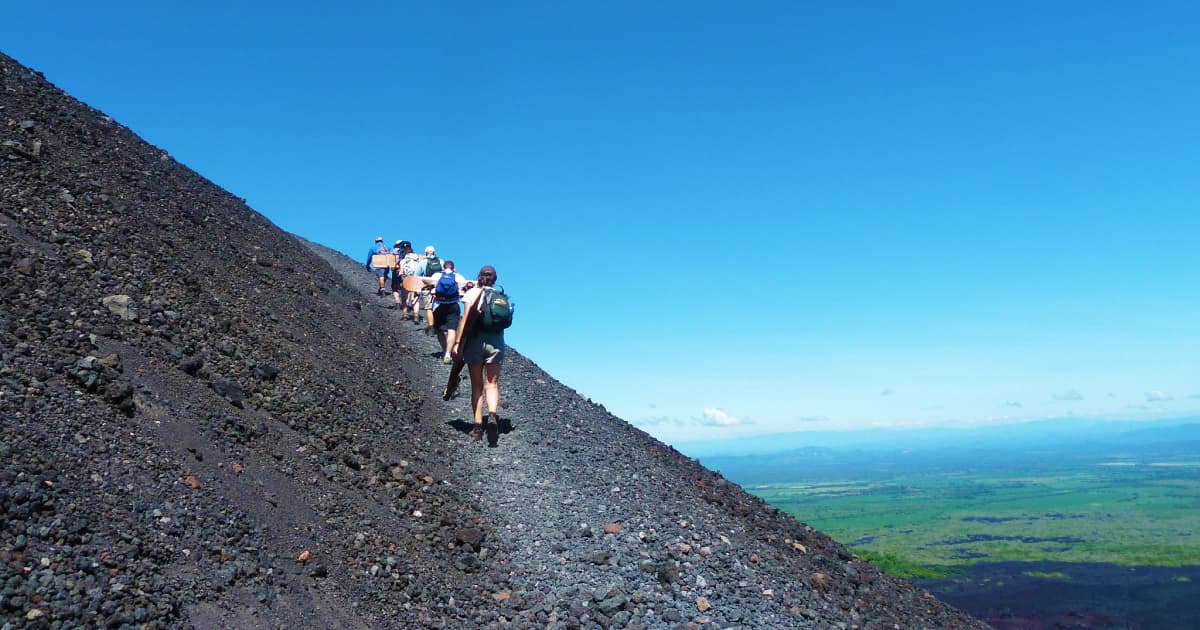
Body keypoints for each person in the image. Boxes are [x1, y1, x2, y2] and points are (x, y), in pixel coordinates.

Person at [457, 265, 506, 441]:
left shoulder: (472, 294)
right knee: (492, 384)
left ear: (479, 277)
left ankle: (477, 427)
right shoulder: (500, 296)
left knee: (477, 385)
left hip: (475, 341)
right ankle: (492, 415)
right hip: (497, 342)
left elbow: (465, 320)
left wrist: (457, 344)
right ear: (495, 279)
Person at [425, 261, 471, 363]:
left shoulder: (437, 275)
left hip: (439, 305)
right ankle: (448, 354)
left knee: (439, 329)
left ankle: (444, 350)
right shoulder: (459, 277)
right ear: (454, 268)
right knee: (452, 329)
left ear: (443, 267)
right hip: (453, 305)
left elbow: (428, 285)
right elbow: (466, 290)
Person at [399, 244, 423, 321]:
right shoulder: (419, 260)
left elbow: (401, 272)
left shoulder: (403, 260)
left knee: (404, 298)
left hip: (407, 278)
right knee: (416, 298)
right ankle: (416, 316)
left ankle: (405, 314)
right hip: (417, 279)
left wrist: (401, 280)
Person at [388, 240, 408, 309]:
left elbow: (390, 261)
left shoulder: (394, 251)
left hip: (396, 271)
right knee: (405, 288)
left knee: (394, 288)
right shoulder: (409, 251)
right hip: (406, 273)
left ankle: (397, 302)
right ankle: (405, 304)